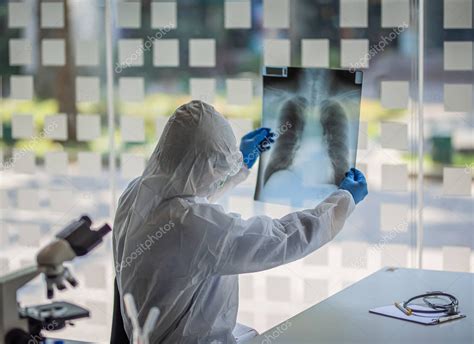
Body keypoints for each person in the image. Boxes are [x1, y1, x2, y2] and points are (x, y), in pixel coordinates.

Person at [113, 100, 368, 343]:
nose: (218, 173)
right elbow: (281, 238)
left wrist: (238, 164)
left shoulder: (136, 192)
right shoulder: (194, 226)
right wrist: (343, 201)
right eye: (217, 166)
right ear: (206, 166)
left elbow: (186, 194)